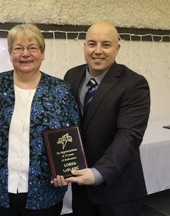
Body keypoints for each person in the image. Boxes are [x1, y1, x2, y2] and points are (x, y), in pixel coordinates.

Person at [0, 23, 79, 216]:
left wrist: (68, 171)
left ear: (42, 53)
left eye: (32, 48)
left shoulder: (61, 91)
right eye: (18, 48)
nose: (25, 54)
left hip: (45, 190)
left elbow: (72, 135)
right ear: (10, 53)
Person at [62, 21, 151, 216]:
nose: (98, 51)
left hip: (117, 190)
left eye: (106, 44)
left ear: (117, 49)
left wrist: (98, 173)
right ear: (84, 46)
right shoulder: (71, 76)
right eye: (92, 44)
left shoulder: (134, 84)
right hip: (81, 187)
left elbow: (129, 136)